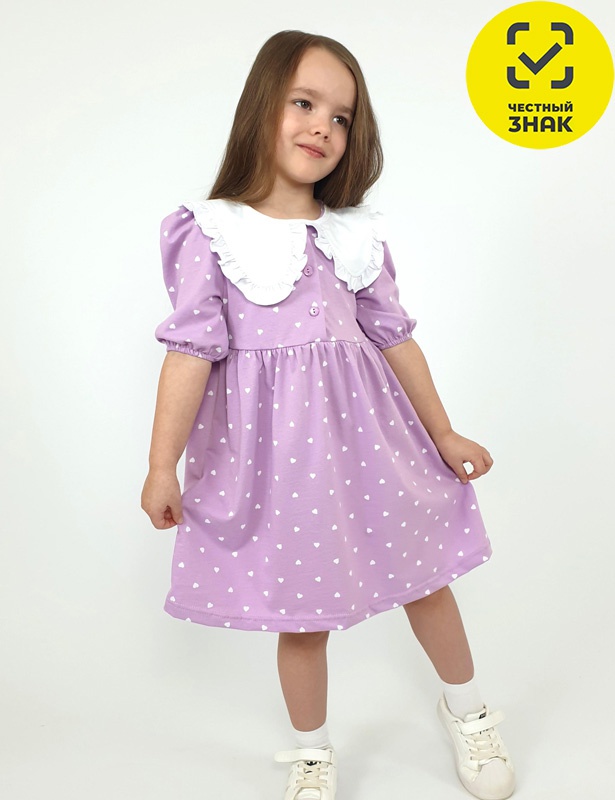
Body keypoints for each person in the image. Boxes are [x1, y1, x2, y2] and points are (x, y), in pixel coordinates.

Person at [141, 29, 516, 800]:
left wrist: (442, 432)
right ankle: (313, 752)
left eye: (340, 117)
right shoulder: (210, 230)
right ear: (261, 106)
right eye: (304, 104)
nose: (322, 127)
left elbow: (394, 339)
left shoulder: (353, 235)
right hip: (278, 466)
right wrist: (159, 464)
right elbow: (189, 352)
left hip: (374, 448)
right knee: (303, 616)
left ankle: (468, 710)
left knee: (425, 581)